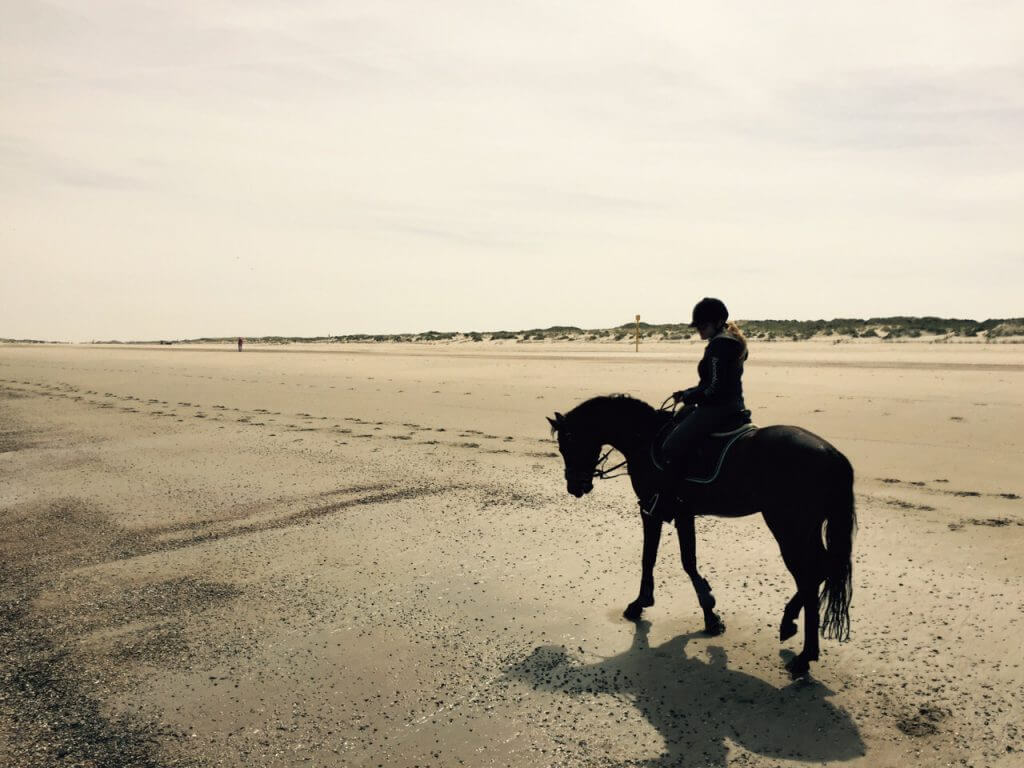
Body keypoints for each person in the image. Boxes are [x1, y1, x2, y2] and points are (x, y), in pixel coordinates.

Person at [660, 297, 748, 474]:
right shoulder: (731, 341)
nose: (699, 330)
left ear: (718, 322)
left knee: (671, 446)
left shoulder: (720, 345)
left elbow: (714, 388)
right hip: (733, 404)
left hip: (718, 408)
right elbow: (713, 383)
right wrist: (687, 392)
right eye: (698, 326)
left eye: (703, 326)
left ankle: (669, 495)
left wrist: (689, 396)